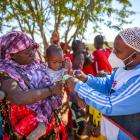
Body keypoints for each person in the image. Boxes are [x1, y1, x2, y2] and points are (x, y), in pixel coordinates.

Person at [65, 27, 140, 139]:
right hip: (112, 132)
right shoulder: (123, 68)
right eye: (114, 49)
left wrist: (78, 86)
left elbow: (109, 104)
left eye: (118, 51)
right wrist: (87, 79)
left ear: (134, 56)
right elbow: (107, 84)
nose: (112, 53)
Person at [0, 31, 64, 139]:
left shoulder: (36, 64)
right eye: (26, 52)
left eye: (32, 49)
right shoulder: (7, 71)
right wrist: (50, 90)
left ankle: (42, 125)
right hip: (23, 127)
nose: (32, 54)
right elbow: (19, 97)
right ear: (12, 55)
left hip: (48, 121)